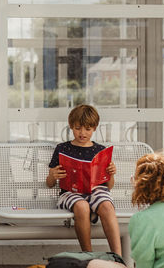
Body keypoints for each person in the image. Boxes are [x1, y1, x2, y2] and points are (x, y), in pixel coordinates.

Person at [45, 104, 122, 254]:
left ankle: (118, 257)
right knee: (82, 206)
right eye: (78, 128)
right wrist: (52, 176)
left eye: (87, 129)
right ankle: (88, 256)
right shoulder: (62, 148)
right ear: (71, 126)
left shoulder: (100, 150)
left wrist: (111, 173)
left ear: (94, 128)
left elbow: (109, 186)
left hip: (96, 190)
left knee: (106, 205)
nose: (82, 133)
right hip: (70, 192)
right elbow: (50, 184)